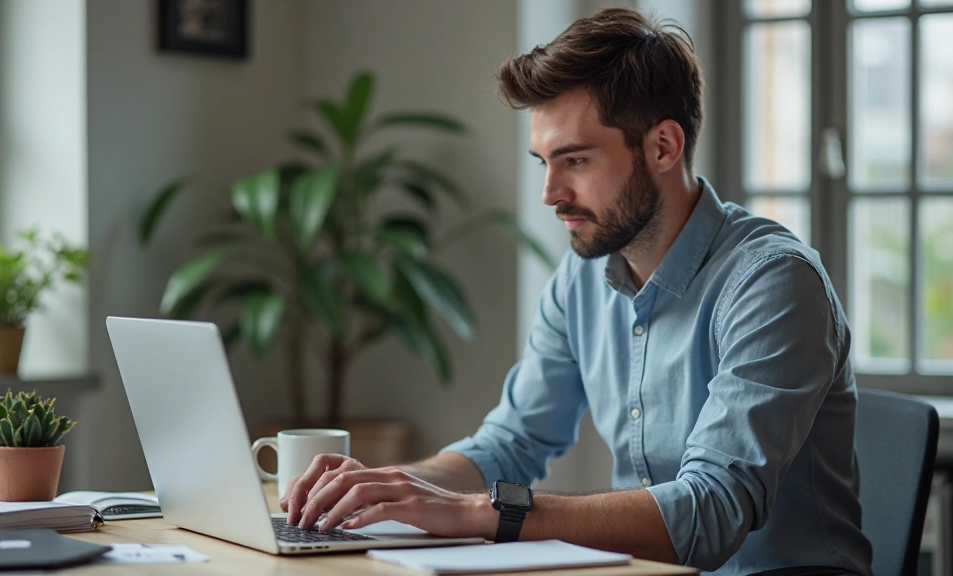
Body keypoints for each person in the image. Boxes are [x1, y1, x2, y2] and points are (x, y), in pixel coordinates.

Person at [281, 8, 873, 575]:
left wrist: (474, 512)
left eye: (575, 160)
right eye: (542, 161)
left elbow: (711, 513)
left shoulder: (773, 281)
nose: (550, 193)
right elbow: (511, 443)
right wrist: (382, 492)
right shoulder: (584, 276)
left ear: (663, 147)